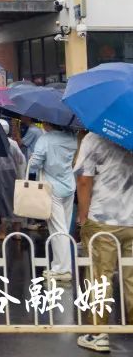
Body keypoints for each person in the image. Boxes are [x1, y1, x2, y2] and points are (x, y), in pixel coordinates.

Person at [74, 132, 133, 354]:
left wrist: (83, 218)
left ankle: (98, 333)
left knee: (100, 277)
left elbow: (84, 180)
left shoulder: (94, 138)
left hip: (102, 220)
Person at [27, 121, 77, 282]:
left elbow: (35, 163)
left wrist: (32, 160)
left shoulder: (45, 139)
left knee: (57, 229)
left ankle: (62, 269)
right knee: (64, 228)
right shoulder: (72, 138)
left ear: (48, 123)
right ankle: (61, 265)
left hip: (52, 188)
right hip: (69, 186)